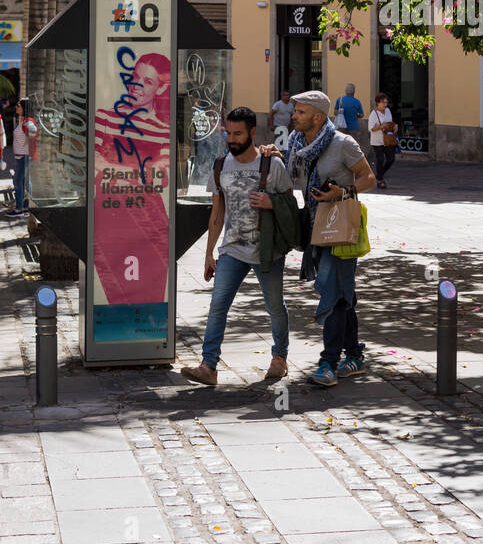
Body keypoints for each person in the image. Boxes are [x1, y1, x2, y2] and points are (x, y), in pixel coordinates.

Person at [181, 106, 295, 386]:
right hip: (232, 249)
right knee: (218, 305)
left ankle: (279, 358)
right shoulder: (221, 166)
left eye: (238, 133)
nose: (231, 139)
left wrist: (271, 202)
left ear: (253, 133)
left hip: (268, 251)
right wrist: (208, 253)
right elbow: (217, 214)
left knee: (274, 306)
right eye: (228, 133)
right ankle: (209, 366)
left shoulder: (272, 165)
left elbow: (291, 207)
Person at [283, 90, 376, 388]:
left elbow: (369, 178)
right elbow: (288, 177)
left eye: (300, 112)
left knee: (333, 295)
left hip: (342, 229)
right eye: (295, 111)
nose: (293, 115)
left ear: (318, 117)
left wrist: (342, 192)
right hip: (315, 227)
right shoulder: (298, 143)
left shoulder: (342, 144)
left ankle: (329, 362)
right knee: (343, 294)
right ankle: (355, 355)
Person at [92, 52, 171, 304]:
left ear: (162, 88)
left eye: (147, 82)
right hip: (108, 218)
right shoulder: (104, 118)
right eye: (136, 77)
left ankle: (148, 342)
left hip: (150, 220)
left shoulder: (163, 130)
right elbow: (93, 166)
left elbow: (161, 178)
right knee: (113, 297)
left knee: (151, 299)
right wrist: (141, 172)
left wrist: (112, 168)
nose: (137, 85)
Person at [11, 98, 38, 216]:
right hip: (22, 157)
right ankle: (27, 207)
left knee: (17, 181)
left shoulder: (28, 121)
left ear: (24, 108)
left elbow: (33, 131)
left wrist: (28, 142)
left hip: (23, 157)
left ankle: (19, 209)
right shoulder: (23, 121)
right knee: (26, 182)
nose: (16, 107)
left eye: (18, 105)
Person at [369, 92, 398, 188]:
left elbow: (390, 123)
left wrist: (394, 126)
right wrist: (381, 126)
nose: (385, 104)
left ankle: (379, 175)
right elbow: (371, 128)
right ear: (378, 102)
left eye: (386, 102)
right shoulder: (373, 114)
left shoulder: (388, 111)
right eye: (383, 102)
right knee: (380, 160)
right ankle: (380, 180)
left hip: (388, 140)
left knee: (391, 159)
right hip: (377, 141)